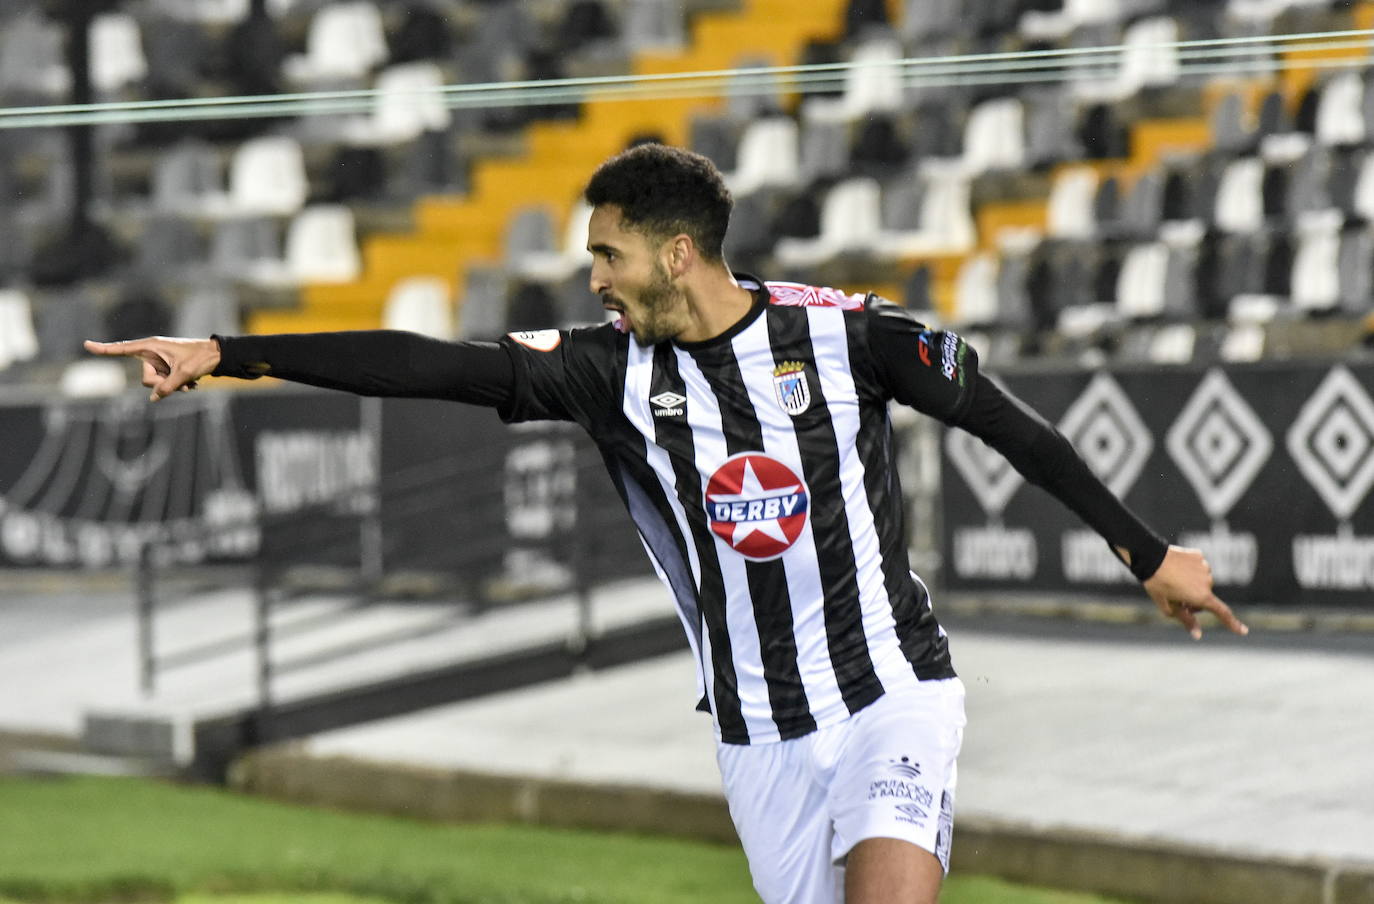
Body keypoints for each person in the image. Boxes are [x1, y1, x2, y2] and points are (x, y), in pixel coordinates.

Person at [86, 143, 1248, 904]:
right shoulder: (610, 375)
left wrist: (1148, 552)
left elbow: (1012, 428)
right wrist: (229, 354)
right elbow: (427, 366)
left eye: (608, 253)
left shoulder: (850, 337)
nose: (593, 277)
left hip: (893, 692)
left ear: (675, 251)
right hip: (760, 740)